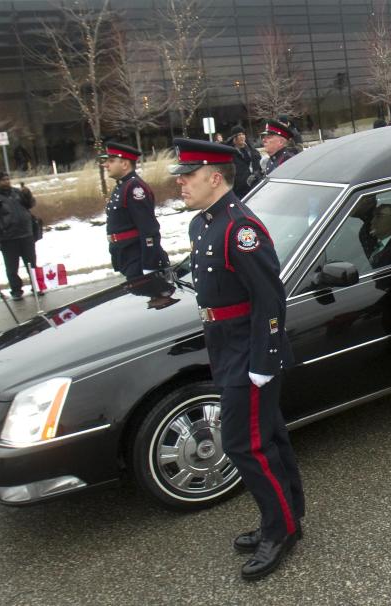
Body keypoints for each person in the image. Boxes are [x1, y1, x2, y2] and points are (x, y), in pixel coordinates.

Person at [170, 138, 303, 580]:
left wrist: (263, 360)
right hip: (226, 345)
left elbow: (271, 299)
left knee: (245, 446)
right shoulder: (202, 224)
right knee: (271, 438)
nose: (180, 183)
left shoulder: (240, 228)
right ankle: (287, 517)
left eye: (187, 176)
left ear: (215, 177)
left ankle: (278, 530)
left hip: (250, 351)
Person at [101, 141, 169, 279]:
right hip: (127, 255)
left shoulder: (134, 188)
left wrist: (150, 265)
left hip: (138, 258)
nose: (105, 165)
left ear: (125, 164)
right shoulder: (122, 186)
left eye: (111, 161)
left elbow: (148, 229)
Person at [0, 171, 38, 301]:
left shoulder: (17, 192)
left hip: (26, 234)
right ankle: (16, 290)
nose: (7, 182)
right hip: (8, 238)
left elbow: (31, 205)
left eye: (8, 179)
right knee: (12, 268)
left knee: (32, 263)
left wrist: (28, 195)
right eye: (3, 180)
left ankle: (37, 286)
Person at [228, 125, 263, 198]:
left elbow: (258, 160)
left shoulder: (249, 148)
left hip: (254, 186)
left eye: (243, 134)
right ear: (234, 137)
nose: (242, 136)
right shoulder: (230, 152)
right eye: (239, 135)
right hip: (239, 190)